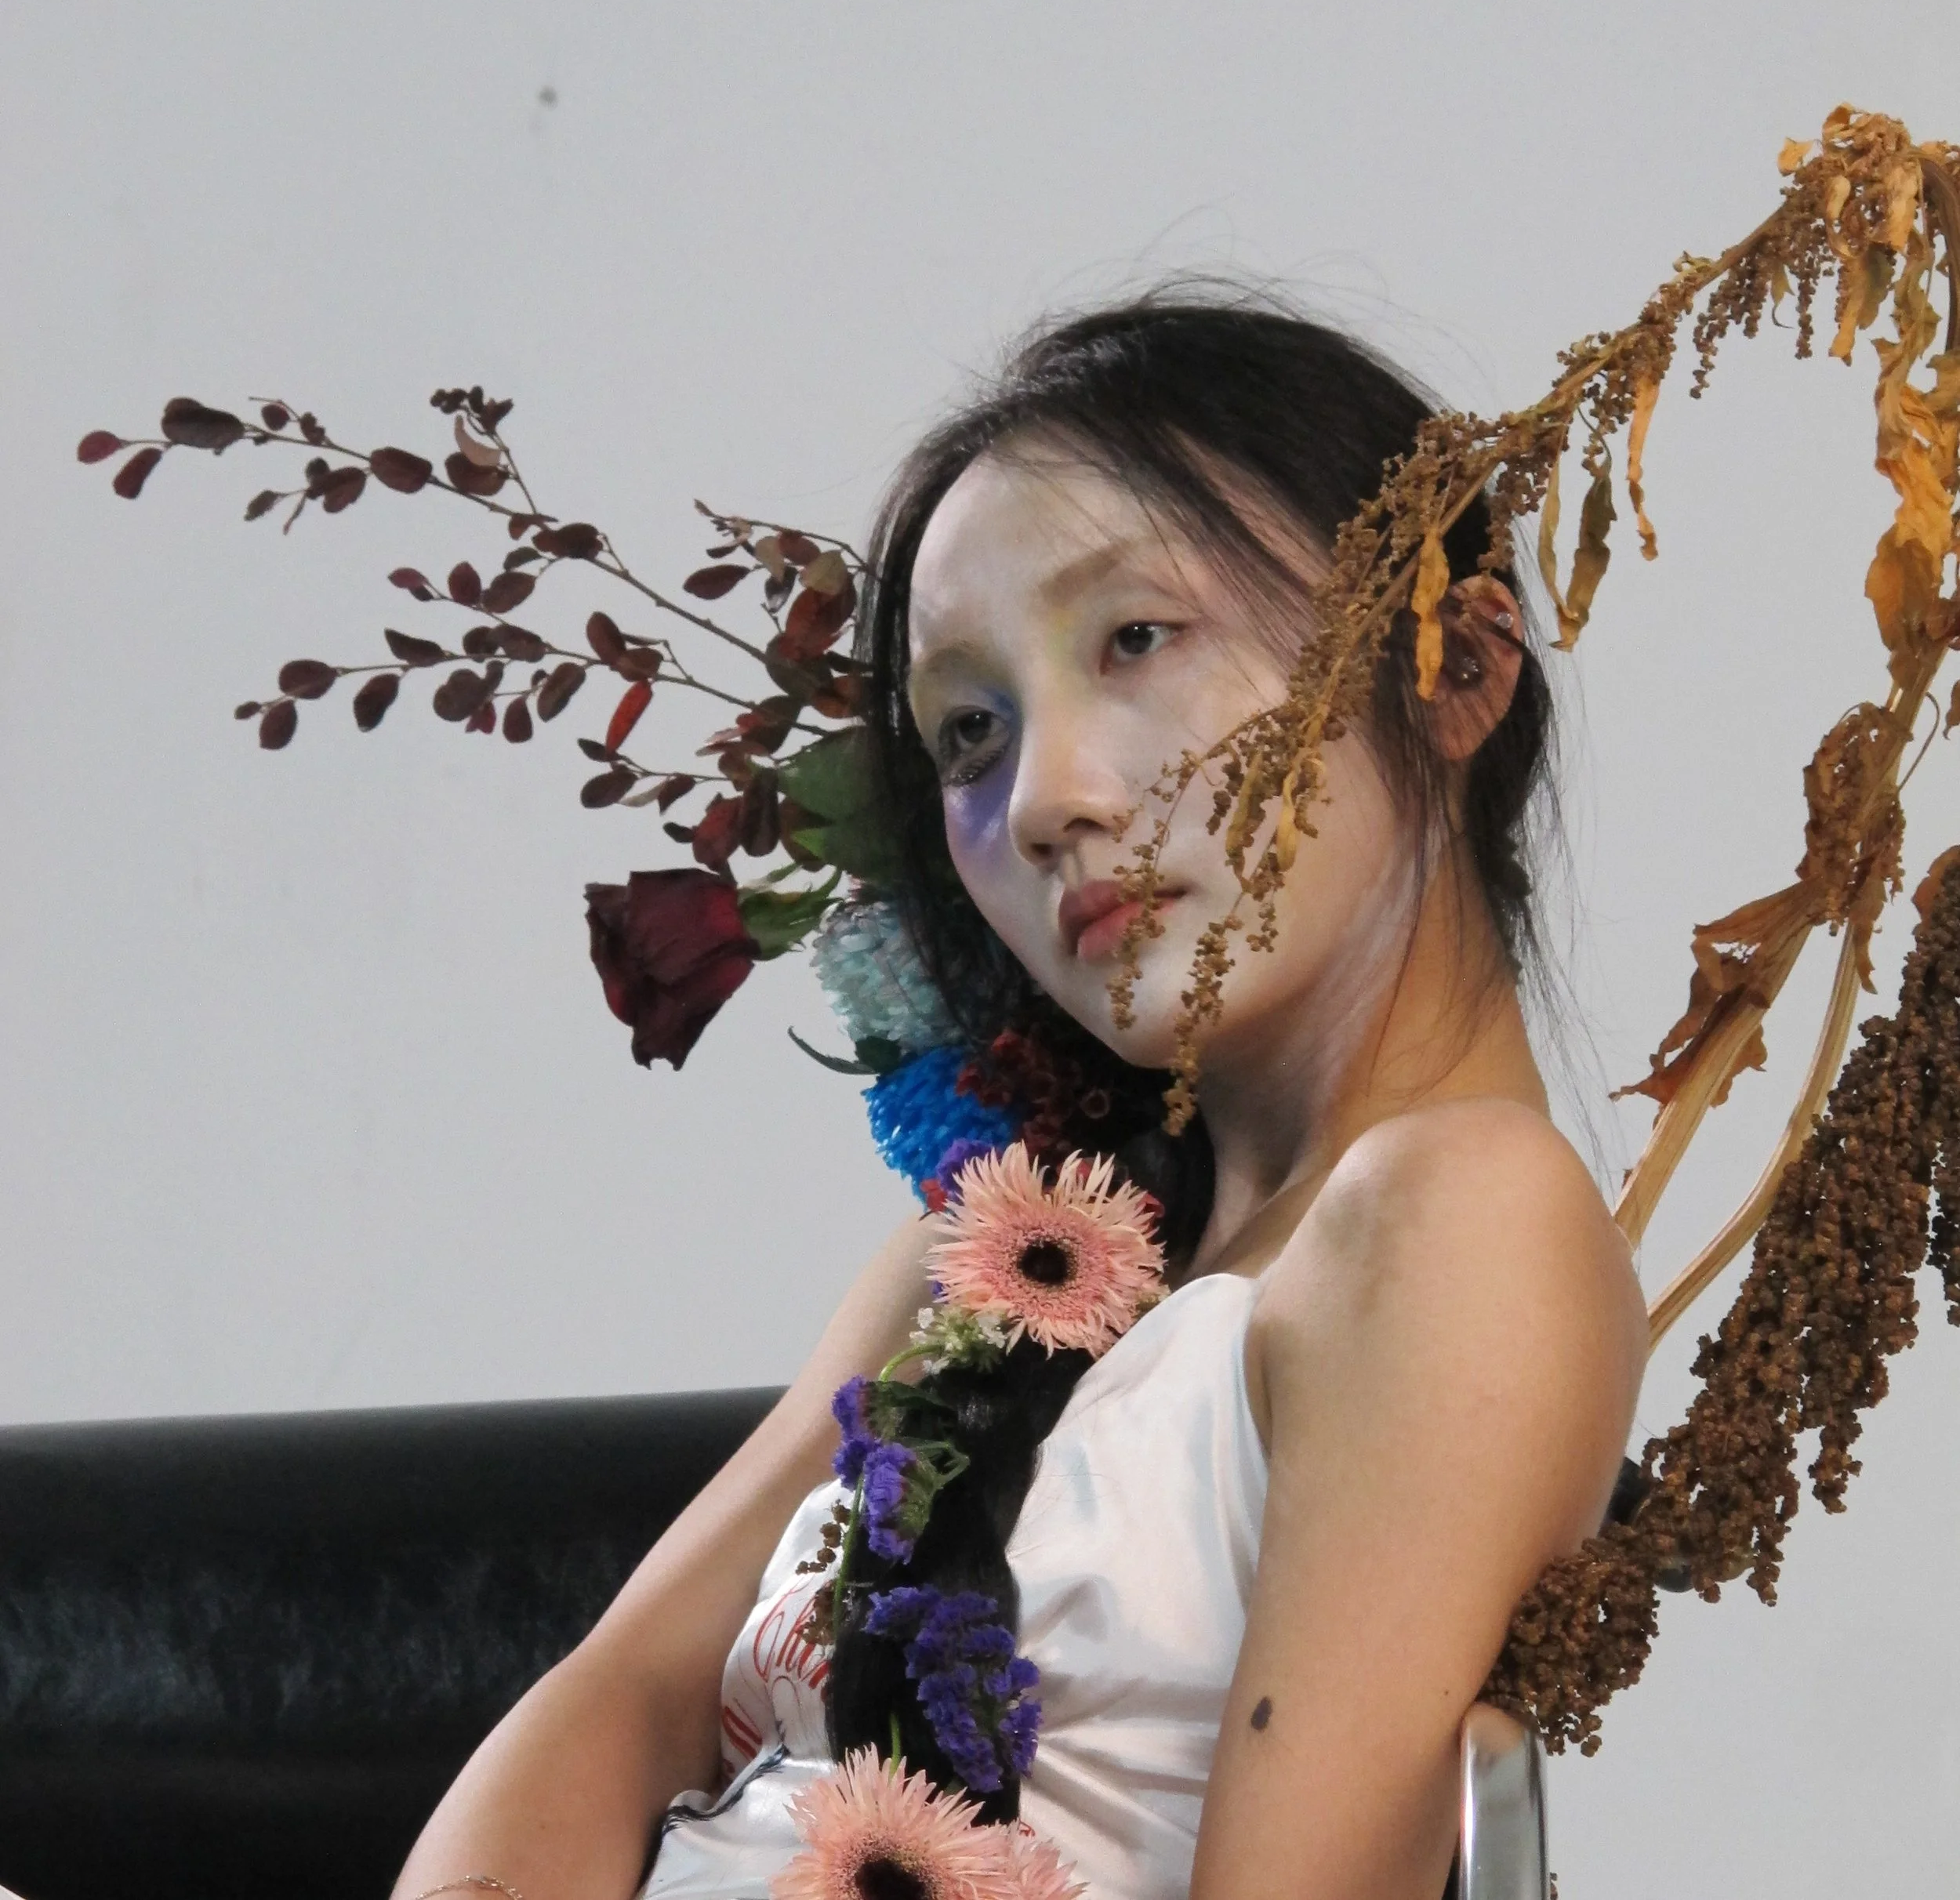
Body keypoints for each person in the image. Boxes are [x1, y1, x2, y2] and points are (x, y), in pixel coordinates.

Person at [393, 292, 1648, 1900]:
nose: (1046, 799)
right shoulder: (992, 1251)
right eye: (971, 734)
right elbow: (620, 1701)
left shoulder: (1457, 1217)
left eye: (1135, 638)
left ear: (1452, 665)